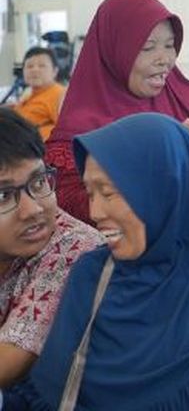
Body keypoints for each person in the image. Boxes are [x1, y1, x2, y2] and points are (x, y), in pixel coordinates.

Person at [3, 113, 189, 410]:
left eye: (109, 193)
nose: (95, 213)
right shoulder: (93, 273)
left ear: (165, 188)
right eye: (90, 193)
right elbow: (47, 394)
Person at [45, 0, 189, 230]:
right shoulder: (81, 130)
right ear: (112, 50)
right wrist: (165, 157)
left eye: (169, 45)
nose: (164, 59)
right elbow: (75, 213)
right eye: (147, 48)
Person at [0, 110, 103, 387]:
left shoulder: (75, 249)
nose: (33, 209)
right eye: (3, 195)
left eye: (38, 181)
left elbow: (7, 364)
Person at [10, 49, 65, 141]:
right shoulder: (28, 94)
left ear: (55, 71)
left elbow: (67, 131)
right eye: (29, 66)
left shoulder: (60, 95)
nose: (35, 70)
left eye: (42, 66)